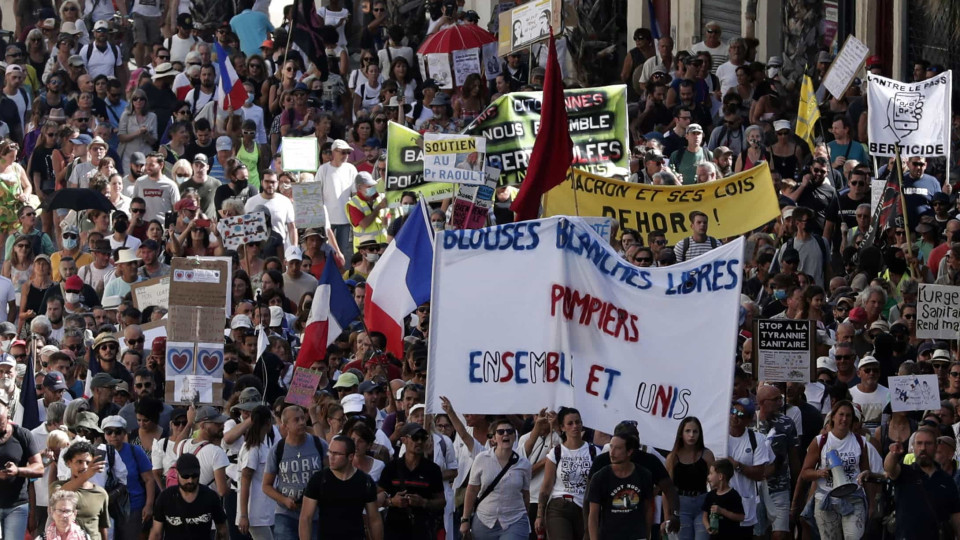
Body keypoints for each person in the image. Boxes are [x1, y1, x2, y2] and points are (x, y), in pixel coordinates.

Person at [799, 400, 873, 540]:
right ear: (832, 417)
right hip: (826, 500)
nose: (844, 419)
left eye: (848, 416)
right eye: (841, 415)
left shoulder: (860, 441)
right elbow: (805, 472)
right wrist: (819, 473)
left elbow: (866, 474)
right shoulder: (820, 441)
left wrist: (871, 504)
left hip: (854, 498)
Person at [882, 426, 960, 539]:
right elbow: (889, 468)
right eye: (919, 443)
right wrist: (893, 453)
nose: (923, 448)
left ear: (935, 447)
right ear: (913, 446)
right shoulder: (904, 473)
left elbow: (956, 516)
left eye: (928, 443)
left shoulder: (947, 480)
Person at [299, 435, 383, 540]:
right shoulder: (319, 479)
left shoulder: (364, 481)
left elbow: (374, 519)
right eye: (330, 452)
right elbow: (305, 518)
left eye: (337, 454)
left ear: (350, 457)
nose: (331, 457)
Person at [461, 418, 531, 540]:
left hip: (514, 520)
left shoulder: (524, 464)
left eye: (510, 431)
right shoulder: (481, 459)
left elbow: (525, 494)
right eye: (501, 432)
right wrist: (465, 519)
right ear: (493, 438)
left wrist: (524, 516)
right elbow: (472, 490)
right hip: (484, 520)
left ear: (515, 436)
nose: (505, 434)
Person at [263, 405, 327, 539]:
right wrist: (284, 500)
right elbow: (266, 486)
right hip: (286, 515)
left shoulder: (319, 444)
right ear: (285, 426)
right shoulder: (277, 450)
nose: (302, 422)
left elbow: (330, 476)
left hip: (315, 514)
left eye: (303, 418)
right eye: (296, 420)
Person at [537, 407, 596, 540]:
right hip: (559, 506)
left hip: (585, 508)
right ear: (562, 427)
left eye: (578, 422)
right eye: (570, 423)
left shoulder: (594, 451)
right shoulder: (556, 452)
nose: (575, 426)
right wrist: (539, 516)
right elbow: (546, 486)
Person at [586, 433, 654, 540]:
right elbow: (593, 514)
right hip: (609, 535)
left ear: (629, 451)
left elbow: (648, 508)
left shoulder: (644, 475)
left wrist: (646, 535)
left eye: (618, 448)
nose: (612, 453)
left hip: (636, 535)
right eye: (611, 447)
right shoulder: (600, 477)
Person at [149, 453, 228, 540]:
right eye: (185, 476)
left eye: (194, 475)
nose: (190, 480)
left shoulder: (210, 497)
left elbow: (222, 530)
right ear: (177, 473)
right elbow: (156, 533)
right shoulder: (165, 498)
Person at [726, 398, 774, 534]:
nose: (735, 416)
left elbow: (759, 474)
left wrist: (736, 465)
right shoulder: (719, 437)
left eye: (740, 415)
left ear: (748, 420)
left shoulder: (757, 439)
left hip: (744, 503)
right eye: (733, 411)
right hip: (719, 503)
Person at [0, 400, 44, 540]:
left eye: (0, 423)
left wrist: (18, 471)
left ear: (8, 417)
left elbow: (39, 468)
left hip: (17, 506)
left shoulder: (23, 435)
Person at [666, 417, 715, 540]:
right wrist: (667, 517)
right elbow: (667, 489)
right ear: (681, 434)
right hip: (680, 506)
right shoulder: (672, 458)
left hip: (702, 503)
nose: (691, 435)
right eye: (687, 431)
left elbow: (715, 485)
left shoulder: (707, 455)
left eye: (695, 431)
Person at [51, 441, 109, 540]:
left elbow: (102, 527)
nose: (84, 467)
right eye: (79, 462)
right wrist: (86, 475)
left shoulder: (101, 493)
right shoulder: (58, 486)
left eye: (88, 462)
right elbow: (60, 494)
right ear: (69, 463)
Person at [237, 404, 278, 540]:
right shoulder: (252, 449)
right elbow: (245, 481)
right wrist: (244, 514)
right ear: (268, 422)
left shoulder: (263, 446)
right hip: (255, 514)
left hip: (266, 511)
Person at [700, 459, 746, 539]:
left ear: (720, 476)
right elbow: (704, 516)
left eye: (711, 473)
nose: (708, 476)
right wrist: (708, 527)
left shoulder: (733, 495)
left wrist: (722, 511)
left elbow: (741, 517)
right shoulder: (710, 495)